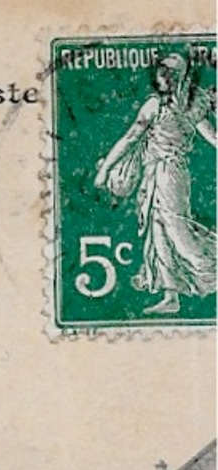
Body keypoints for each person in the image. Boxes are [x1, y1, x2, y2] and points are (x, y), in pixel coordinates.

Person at [93, 52, 217, 316]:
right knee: (156, 228)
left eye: (170, 73)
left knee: (176, 227)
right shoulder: (153, 105)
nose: (164, 77)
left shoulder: (192, 106)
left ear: (180, 78)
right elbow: (130, 139)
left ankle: (210, 268)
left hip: (172, 174)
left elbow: (214, 138)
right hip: (152, 172)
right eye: (161, 71)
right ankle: (170, 294)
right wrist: (104, 172)